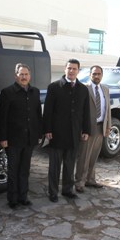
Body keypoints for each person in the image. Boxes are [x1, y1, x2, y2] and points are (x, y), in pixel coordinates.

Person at [43, 58, 91, 203]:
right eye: (69, 68)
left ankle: (67, 190)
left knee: (70, 165)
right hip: (56, 134)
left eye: (74, 69)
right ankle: (53, 192)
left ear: (78, 71)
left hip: (74, 134)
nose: (71, 71)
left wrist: (86, 130)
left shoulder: (83, 89)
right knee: (55, 166)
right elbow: (48, 111)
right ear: (65, 69)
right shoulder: (54, 87)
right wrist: (47, 129)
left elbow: (86, 112)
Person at [0, 63, 42, 209]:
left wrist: (39, 134)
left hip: (29, 139)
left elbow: (37, 114)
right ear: (16, 75)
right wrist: (3, 138)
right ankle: (13, 199)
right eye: (21, 74)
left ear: (30, 76)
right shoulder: (7, 92)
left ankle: (23, 196)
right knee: (13, 170)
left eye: (26, 74)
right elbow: (2, 117)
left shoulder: (35, 92)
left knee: (25, 169)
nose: (24, 77)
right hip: (13, 139)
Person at [75, 65, 111, 193]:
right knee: (84, 156)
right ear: (90, 74)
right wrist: (81, 129)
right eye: (94, 74)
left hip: (101, 127)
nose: (96, 76)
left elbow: (108, 109)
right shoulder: (84, 88)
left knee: (94, 156)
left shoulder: (105, 89)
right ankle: (79, 182)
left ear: (102, 75)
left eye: (99, 74)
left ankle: (90, 180)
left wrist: (108, 126)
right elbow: (80, 111)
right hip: (88, 128)